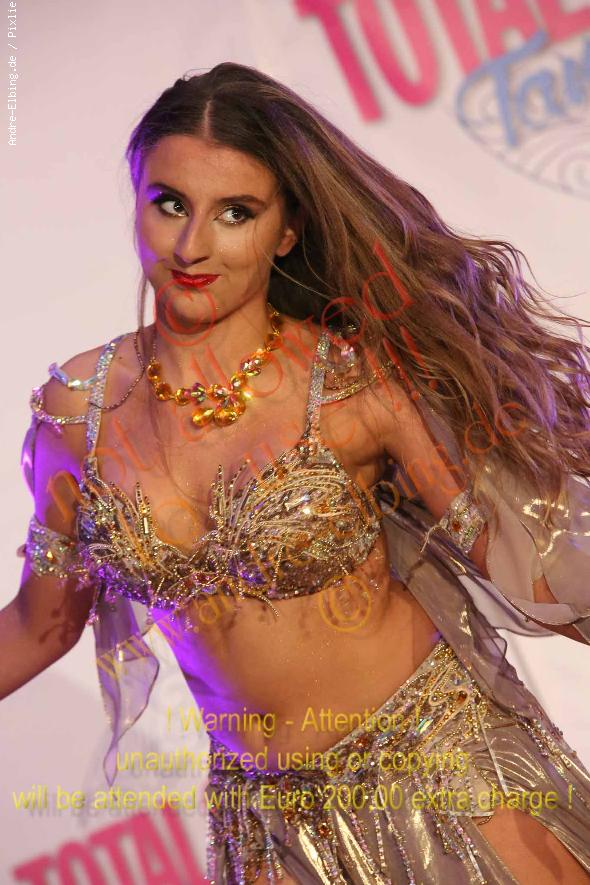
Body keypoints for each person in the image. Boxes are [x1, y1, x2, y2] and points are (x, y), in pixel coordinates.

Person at [3, 61, 590, 884]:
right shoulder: (77, 415)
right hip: (271, 837)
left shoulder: (353, 379)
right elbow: (42, 624)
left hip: (448, 779)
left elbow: (510, 554)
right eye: (169, 203)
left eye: (235, 213)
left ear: (286, 231)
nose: (192, 245)